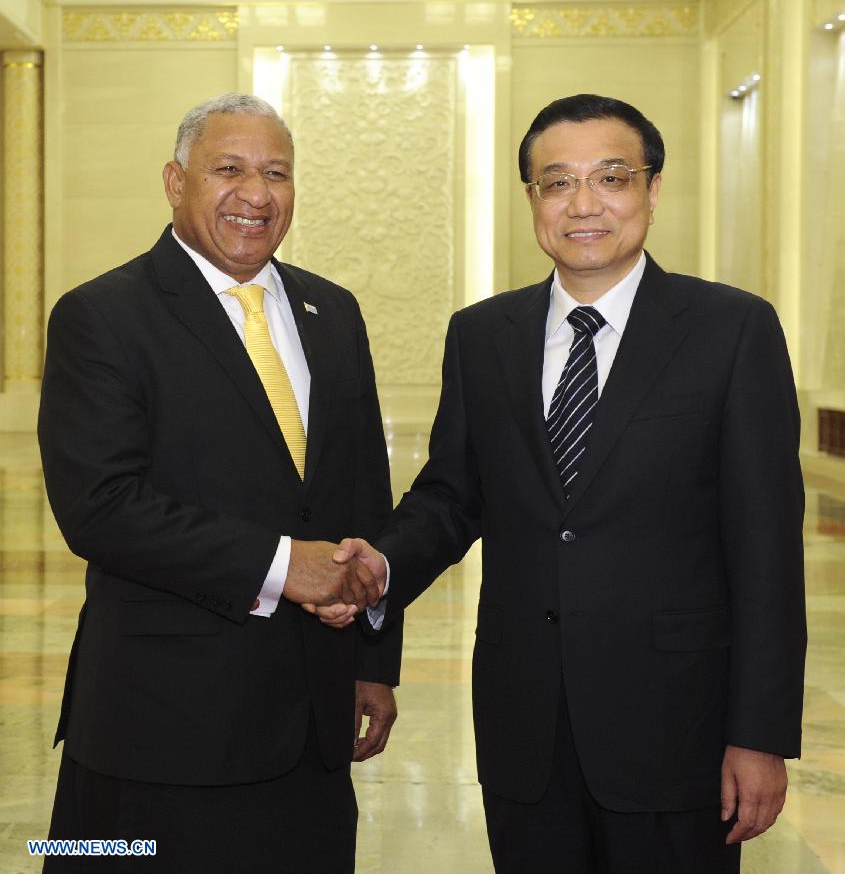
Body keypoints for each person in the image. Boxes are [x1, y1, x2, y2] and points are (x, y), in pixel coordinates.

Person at [313, 94, 806, 873]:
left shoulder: (730, 329)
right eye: (556, 182)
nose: (583, 204)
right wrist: (379, 566)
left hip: (677, 726)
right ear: (531, 200)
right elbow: (451, 495)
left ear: (651, 190)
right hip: (524, 723)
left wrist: (760, 733)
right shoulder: (482, 335)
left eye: (611, 177)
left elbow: (767, 548)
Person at [37, 93, 402, 873]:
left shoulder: (331, 312)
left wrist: (373, 660)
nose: (257, 194)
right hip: (163, 727)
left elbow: (363, 501)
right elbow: (98, 507)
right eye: (228, 169)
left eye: (277, 173)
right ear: (174, 181)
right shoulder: (102, 315)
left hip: (312, 720)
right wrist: (281, 564)